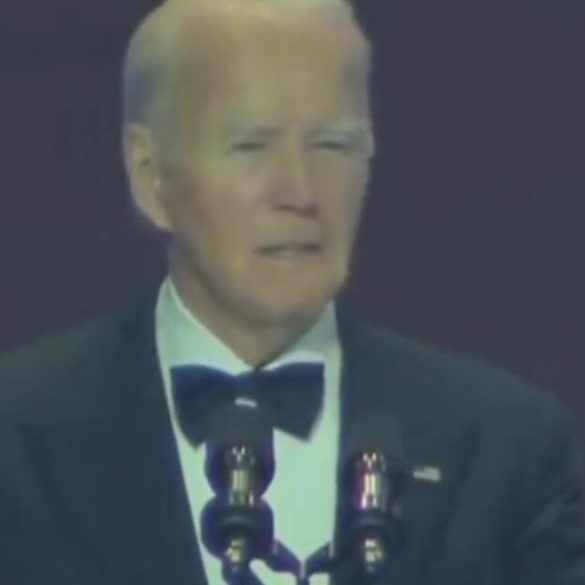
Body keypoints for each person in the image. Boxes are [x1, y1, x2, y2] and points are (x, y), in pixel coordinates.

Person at [0, 0, 584, 584]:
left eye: (331, 145)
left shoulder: (510, 453)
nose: (300, 192)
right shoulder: (18, 441)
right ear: (150, 175)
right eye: (251, 146)